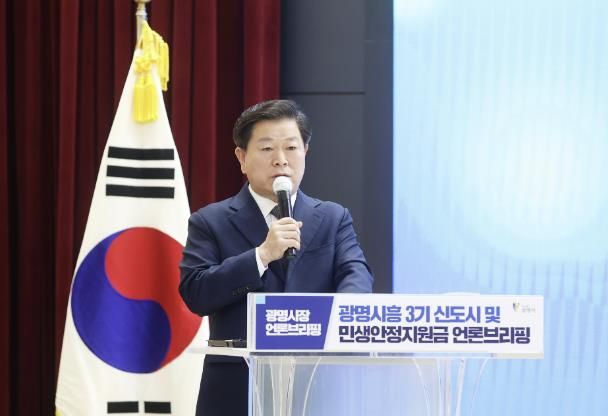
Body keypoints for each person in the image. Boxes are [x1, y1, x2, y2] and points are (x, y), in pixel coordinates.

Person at [179, 99, 373, 416]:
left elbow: (356, 276)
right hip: (236, 390)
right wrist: (261, 255)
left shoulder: (333, 218)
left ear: (305, 152)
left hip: (317, 385)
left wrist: (339, 319)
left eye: (291, 148)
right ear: (242, 158)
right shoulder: (210, 221)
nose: (281, 160)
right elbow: (196, 292)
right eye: (267, 148)